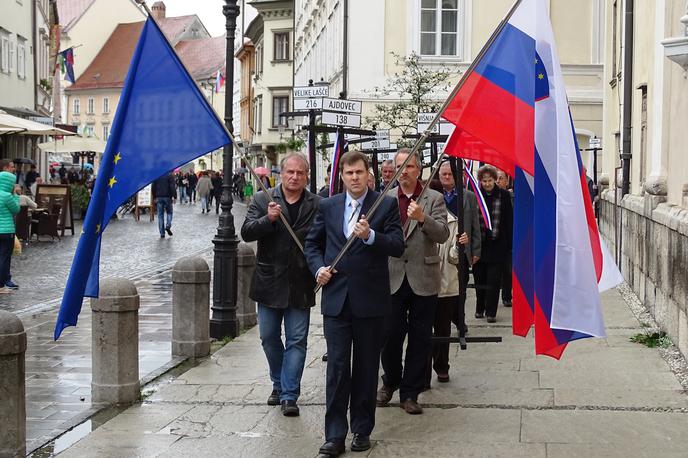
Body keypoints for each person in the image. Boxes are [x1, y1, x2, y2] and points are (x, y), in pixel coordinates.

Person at [305, 151, 404, 457]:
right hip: (336, 300)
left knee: (365, 367)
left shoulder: (384, 204)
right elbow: (313, 244)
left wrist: (372, 235)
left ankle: (362, 429)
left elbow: (397, 245)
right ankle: (334, 434)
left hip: (370, 301)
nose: (355, 178)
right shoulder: (329, 205)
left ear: (368, 174)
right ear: (342, 177)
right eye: (349, 174)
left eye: (360, 172)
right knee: (336, 368)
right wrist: (318, 267)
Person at [242, 153, 320, 417]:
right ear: (281, 173)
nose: (295, 177)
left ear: (307, 175)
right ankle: (278, 382)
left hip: (301, 282)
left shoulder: (317, 204)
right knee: (268, 338)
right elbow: (247, 231)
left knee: (297, 340)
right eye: (290, 172)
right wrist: (268, 220)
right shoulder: (264, 198)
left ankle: (289, 394)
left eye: (300, 173)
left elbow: (323, 239)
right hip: (269, 282)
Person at [378, 148, 449, 415]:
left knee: (420, 339)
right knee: (390, 336)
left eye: (409, 166)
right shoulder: (384, 199)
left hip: (423, 277)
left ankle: (410, 392)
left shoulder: (434, 198)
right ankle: (390, 381)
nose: (404, 171)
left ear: (418, 170)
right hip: (392, 277)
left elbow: (442, 234)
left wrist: (423, 218)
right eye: (399, 166)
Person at [438, 161, 481, 334]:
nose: (447, 178)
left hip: (462, 249)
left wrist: (476, 249)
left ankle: (460, 320)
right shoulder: (434, 196)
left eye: (450, 174)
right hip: (440, 250)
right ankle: (449, 319)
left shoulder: (468, 196)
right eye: (444, 174)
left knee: (460, 288)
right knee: (444, 289)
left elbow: (475, 225)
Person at [473, 165, 513, 323]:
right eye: (485, 181)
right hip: (480, 244)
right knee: (479, 279)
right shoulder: (476, 196)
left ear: (495, 180)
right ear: (480, 181)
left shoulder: (503, 195)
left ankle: (491, 312)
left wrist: (509, 245)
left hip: (497, 245)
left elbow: (509, 221)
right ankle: (479, 307)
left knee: (494, 280)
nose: (488, 184)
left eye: (490, 180)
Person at [0, 171, 20, 294]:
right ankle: (1, 285)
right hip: (7, 231)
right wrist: (16, 196)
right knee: (4, 258)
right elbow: (16, 209)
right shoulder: (7, 196)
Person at [496, 169, 513, 308]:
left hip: (509, 238)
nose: (497, 181)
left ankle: (507, 296)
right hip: (496, 239)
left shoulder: (510, 196)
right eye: (496, 178)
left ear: (506, 181)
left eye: (501, 178)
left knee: (508, 270)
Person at [151, 172, 176, 238]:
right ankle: (168, 225)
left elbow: (153, 186)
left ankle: (162, 233)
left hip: (159, 197)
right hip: (168, 197)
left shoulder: (157, 175)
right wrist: (175, 196)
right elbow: (172, 186)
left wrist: (154, 197)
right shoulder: (170, 175)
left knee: (160, 215)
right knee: (169, 212)